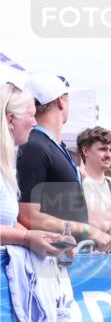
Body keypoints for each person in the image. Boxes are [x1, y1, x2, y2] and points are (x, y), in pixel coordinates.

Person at [17, 73, 111, 252]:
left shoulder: (55, 147)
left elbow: (71, 212)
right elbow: (27, 215)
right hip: (47, 261)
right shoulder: (35, 145)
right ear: (61, 100)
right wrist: (87, 230)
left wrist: (108, 233)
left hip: (65, 259)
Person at [0, 82, 63, 256]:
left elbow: (9, 224)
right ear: (11, 119)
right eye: (32, 115)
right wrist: (26, 237)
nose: (35, 123)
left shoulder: (6, 164)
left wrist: (48, 239)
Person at [78, 126, 111, 231]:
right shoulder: (76, 183)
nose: (109, 155)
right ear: (86, 151)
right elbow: (80, 223)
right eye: (103, 149)